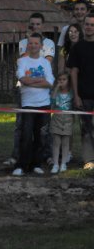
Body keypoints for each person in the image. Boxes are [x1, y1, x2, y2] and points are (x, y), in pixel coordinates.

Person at [13, 33, 54, 177]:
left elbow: (49, 83)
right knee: (25, 135)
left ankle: (36, 164)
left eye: (36, 43)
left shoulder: (45, 63)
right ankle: (21, 165)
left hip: (44, 104)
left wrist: (31, 80)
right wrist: (39, 80)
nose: (33, 46)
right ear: (27, 45)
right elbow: (22, 79)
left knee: (40, 136)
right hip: (27, 104)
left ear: (41, 46)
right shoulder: (22, 61)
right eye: (31, 43)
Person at [68, 12, 94, 171]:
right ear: (83, 26)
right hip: (83, 95)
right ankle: (89, 159)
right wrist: (76, 95)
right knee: (85, 130)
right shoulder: (77, 47)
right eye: (87, 24)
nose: (89, 27)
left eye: (92, 24)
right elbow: (73, 72)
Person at [49, 73, 74, 174]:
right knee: (56, 143)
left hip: (67, 120)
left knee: (65, 143)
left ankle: (63, 163)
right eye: (60, 79)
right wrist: (56, 88)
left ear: (68, 81)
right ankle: (55, 164)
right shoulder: (56, 92)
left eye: (64, 79)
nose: (62, 81)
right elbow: (52, 100)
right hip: (57, 119)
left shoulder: (72, 93)